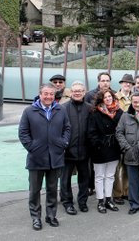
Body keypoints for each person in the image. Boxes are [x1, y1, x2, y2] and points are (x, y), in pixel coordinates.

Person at [19, 83, 71, 231]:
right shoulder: (29, 111)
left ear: (54, 96)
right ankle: (36, 218)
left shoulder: (60, 110)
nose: (48, 97)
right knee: (34, 191)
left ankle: (51, 215)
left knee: (52, 189)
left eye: (51, 94)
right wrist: (32, 147)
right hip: (36, 158)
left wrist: (63, 143)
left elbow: (67, 128)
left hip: (55, 157)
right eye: (45, 94)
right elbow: (23, 132)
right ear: (40, 94)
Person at [88, 89, 122, 213]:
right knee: (99, 176)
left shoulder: (119, 112)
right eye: (105, 97)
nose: (108, 99)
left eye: (110, 96)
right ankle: (100, 201)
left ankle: (109, 199)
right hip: (99, 148)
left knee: (110, 175)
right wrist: (98, 144)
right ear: (101, 100)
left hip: (114, 147)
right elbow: (91, 132)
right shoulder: (95, 113)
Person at [60, 81, 91, 216]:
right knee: (65, 179)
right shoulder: (63, 108)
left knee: (84, 178)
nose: (77, 92)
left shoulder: (90, 108)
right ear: (71, 93)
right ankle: (67, 203)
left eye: (80, 90)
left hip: (85, 151)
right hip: (67, 152)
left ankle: (82, 202)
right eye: (75, 91)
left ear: (84, 92)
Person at [113, 73, 134, 204]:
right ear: (121, 84)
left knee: (127, 166)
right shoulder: (114, 98)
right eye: (125, 82)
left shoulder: (135, 98)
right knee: (116, 167)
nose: (128, 85)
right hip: (117, 135)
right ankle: (116, 193)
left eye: (130, 83)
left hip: (131, 137)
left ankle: (126, 191)